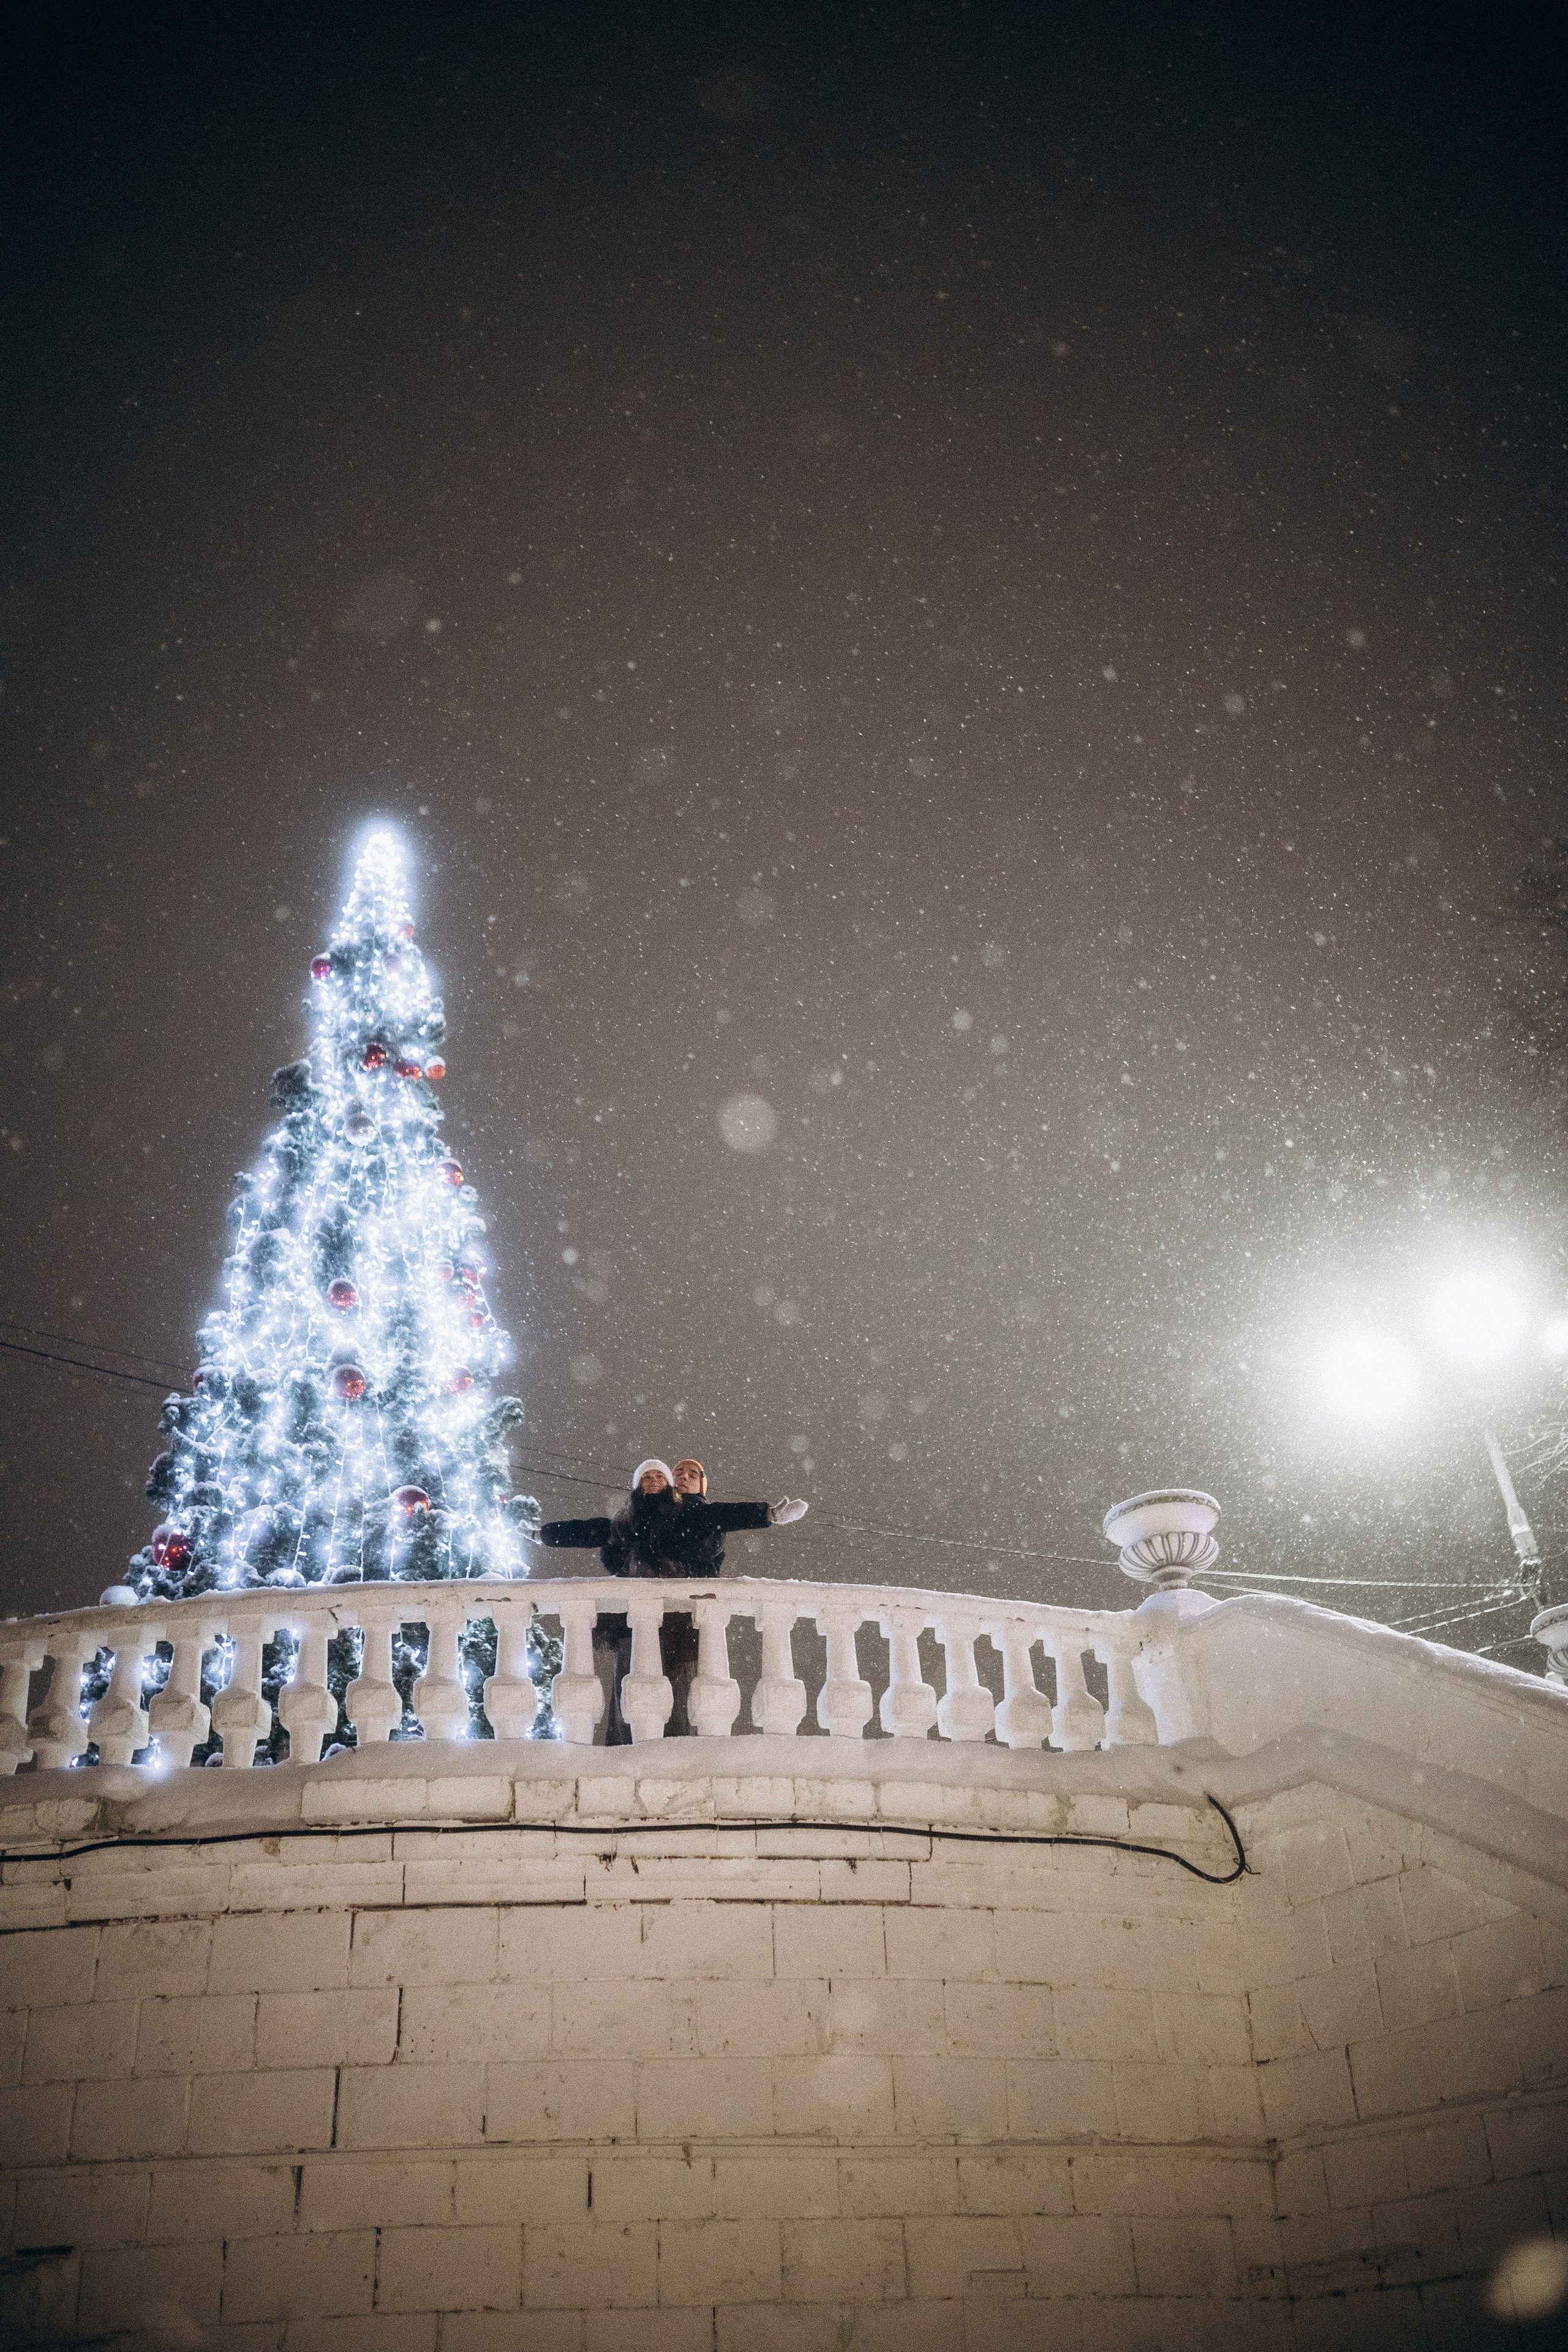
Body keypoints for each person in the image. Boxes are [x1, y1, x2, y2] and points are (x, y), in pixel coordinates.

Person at [537, 1456, 810, 1739]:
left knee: (677, 1694)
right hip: (636, 1616)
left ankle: (676, 1751)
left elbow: (726, 1514)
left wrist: (768, 1514)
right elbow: (588, 1530)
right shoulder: (627, 1519)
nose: (674, 1478)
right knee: (630, 1687)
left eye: (662, 1477)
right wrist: (543, 1534)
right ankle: (623, 1750)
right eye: (650, 1477)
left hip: (679, 1618)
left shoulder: (693, 1515)